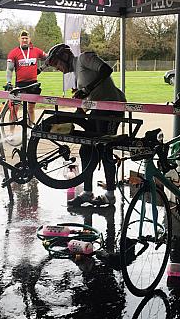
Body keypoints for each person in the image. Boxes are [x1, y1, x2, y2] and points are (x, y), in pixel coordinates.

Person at [46, 43, 126, 207]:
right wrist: (70, 120)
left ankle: (110, 195)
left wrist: (87, 89)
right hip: (97, 110)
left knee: (105, 150)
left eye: (56, 63)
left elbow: (106, 70)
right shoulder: (77, 72)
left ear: (65, 56)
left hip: (112, 109)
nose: (57, 68)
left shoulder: (84, 58)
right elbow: (85, 101)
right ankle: (88, 193)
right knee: (86, 150)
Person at [5, 29, 48, 124]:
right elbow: (9, 69)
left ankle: (30, 131)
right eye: (22, 38)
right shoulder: (13, 52)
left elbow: (49, 58)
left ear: (29, 39)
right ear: (19, 39)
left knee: (31, 109)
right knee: (14, 110)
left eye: (26, 38)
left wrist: (41, 68)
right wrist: (8, 82)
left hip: (33, 85)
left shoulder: (36, 51)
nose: (24, 40)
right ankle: (11, 134)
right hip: (20, 84)